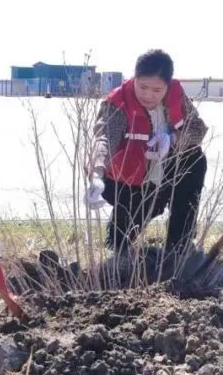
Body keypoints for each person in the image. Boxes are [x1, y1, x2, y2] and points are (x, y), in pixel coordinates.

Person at [87, 49, 209, 259]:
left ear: (167, 86)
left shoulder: (177, 97)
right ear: (134, 78)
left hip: (166, 171)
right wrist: (97, 174)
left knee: (195, 159)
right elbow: (105, 137)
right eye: (142, 87)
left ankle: (179, 244)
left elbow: (197, 128)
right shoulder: (118, 102)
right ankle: (117, 235)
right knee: (119, 241)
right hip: (128, 182)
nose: (148, 95)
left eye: (156, 90)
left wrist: (173, 139)